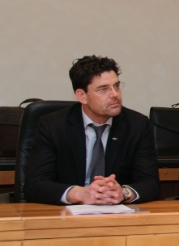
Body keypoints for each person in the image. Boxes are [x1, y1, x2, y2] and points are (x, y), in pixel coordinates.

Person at [25, 56, 160, 205]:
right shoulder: (52, 126)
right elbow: (35, 185)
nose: (115, 94)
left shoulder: (137, 125)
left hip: (117, 213)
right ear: (82, 96)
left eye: (116, 86)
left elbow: (151, 183)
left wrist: (123, 193)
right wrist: (79, 194)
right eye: (103, 89)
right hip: (65, 214)